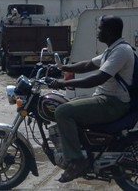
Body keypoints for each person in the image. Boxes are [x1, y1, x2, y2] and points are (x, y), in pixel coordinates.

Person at [48, 15, 134, 183]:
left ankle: (77, 160)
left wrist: (63, 83)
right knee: (66, 104)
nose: (98, 32)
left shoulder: (121, 51)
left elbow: (98, 78)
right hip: (106, 98)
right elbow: (87, 65)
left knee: (63, 112)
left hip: (113, 103)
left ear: (110, 31)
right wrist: (62, 67)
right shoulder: (112, 49)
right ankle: (84, 149)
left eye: (100, 28)